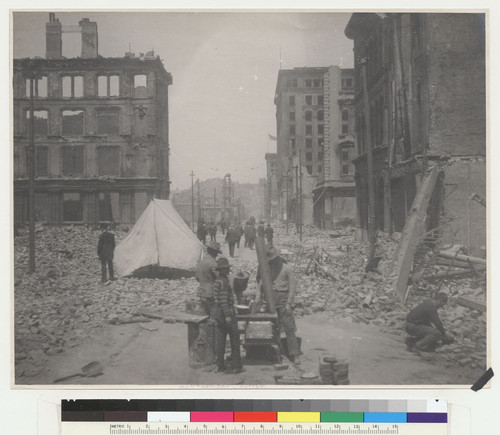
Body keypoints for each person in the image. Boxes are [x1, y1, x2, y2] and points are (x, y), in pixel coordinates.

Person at [265, 246, 301, 364]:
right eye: (271, 260)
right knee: (273, 327)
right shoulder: (268, 269)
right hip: (272, 298)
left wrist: (289, 303)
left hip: (284, 297)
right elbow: (262, 284)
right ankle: (277, 353)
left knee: (289, 327)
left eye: (275, 259)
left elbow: (292, 287)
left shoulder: (287, 269)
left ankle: (294, 354)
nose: (274, 261)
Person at [213, 257, 244, 374]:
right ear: (223, 270)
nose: (228, 271)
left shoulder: (217, 281)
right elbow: (224, 300)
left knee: (220, 340)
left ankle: (220, 365)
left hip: (218, 313)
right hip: (227, 313)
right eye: (226, 269)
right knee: (235, 339)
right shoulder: (224, 282)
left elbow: (217, 300)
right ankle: (236, 365)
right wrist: (228, 315)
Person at [195, 241, 222, 317]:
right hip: (211, 292)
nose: (217, 255)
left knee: (205, 316)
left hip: (201, 291)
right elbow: (219, 277)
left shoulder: (200, 262)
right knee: (214, 316)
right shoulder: (212, 263)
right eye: (216, 252)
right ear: (213, 252)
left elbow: (197, 277)